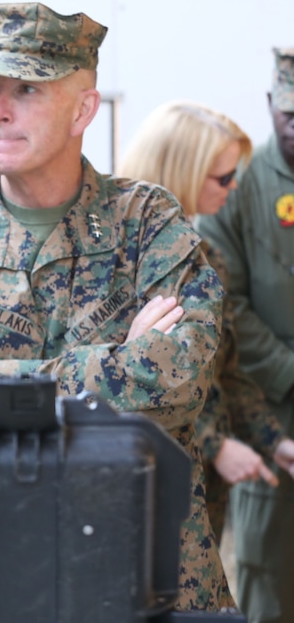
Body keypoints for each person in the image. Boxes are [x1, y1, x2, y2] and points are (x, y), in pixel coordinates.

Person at [0, 2, 229, 610]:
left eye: (26, 89)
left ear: (83, 109)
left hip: (146, 570)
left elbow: (174, 384)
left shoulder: (146, 222)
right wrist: (116, 360)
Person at [120, 100, 294, 547]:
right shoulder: (122, 260)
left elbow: (224, 372)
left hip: (195, 489)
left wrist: (273, 441)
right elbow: (135, 381)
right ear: (183, 170)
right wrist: (218, 446)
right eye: (223, 177)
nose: (235, 188)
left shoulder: (206, 257)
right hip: (138, 483)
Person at [198, 48, 294, 622]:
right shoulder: (242, 185)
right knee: (263, 562)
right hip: (267, 404)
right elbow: (225, 304)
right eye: (292, 115)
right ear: (270, 107)